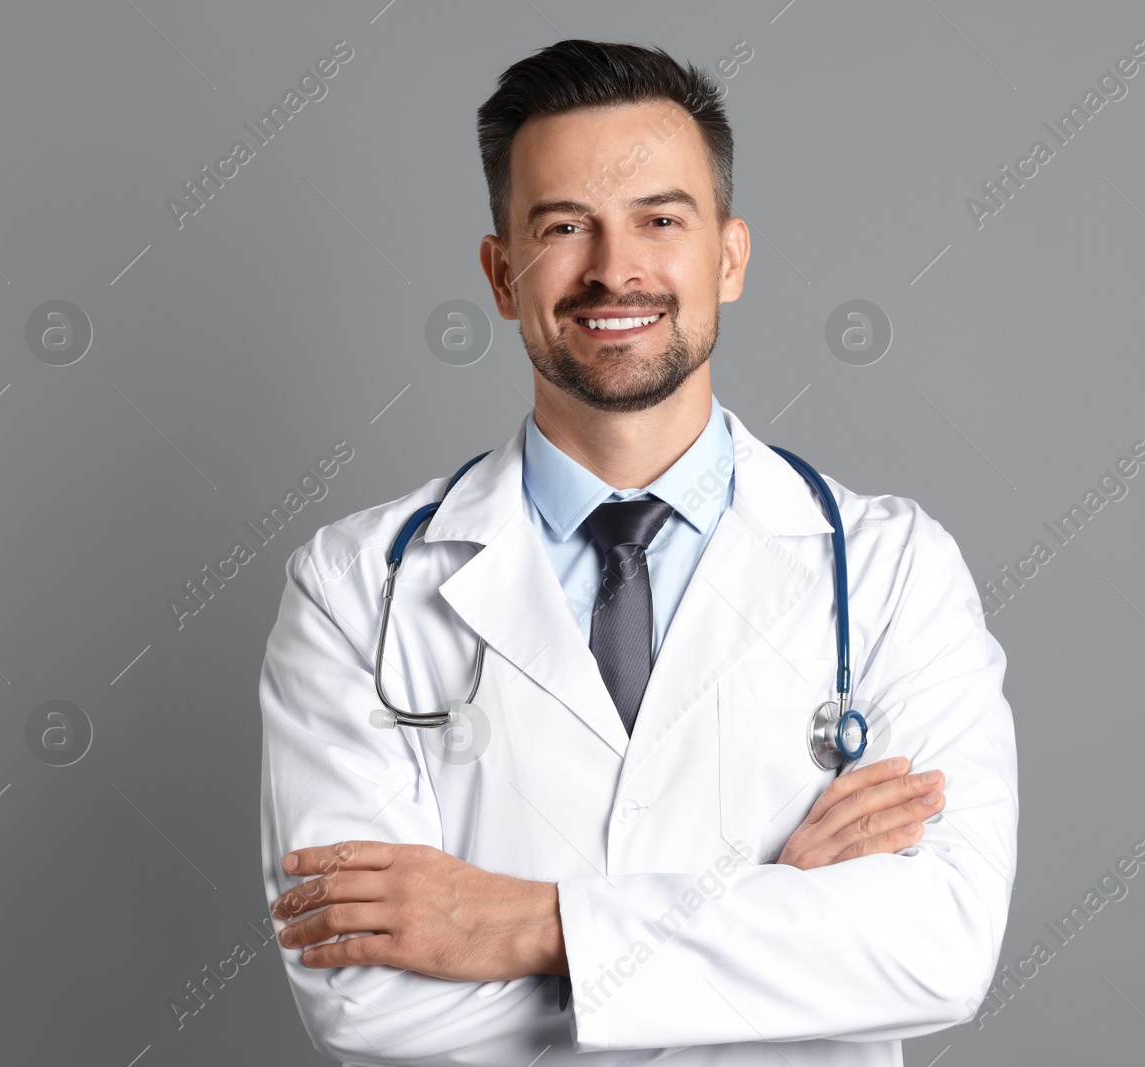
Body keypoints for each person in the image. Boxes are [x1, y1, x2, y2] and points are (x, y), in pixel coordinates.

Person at [260, 39, 1018, 1066]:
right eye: (564, 225)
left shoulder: (893, 571)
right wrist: (785, 905)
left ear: (729, 256)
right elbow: (363, 999)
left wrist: (522, 922)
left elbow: (938, 946)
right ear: (499, 273)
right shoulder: (357, 587)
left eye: (660, 220)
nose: (613, 268)